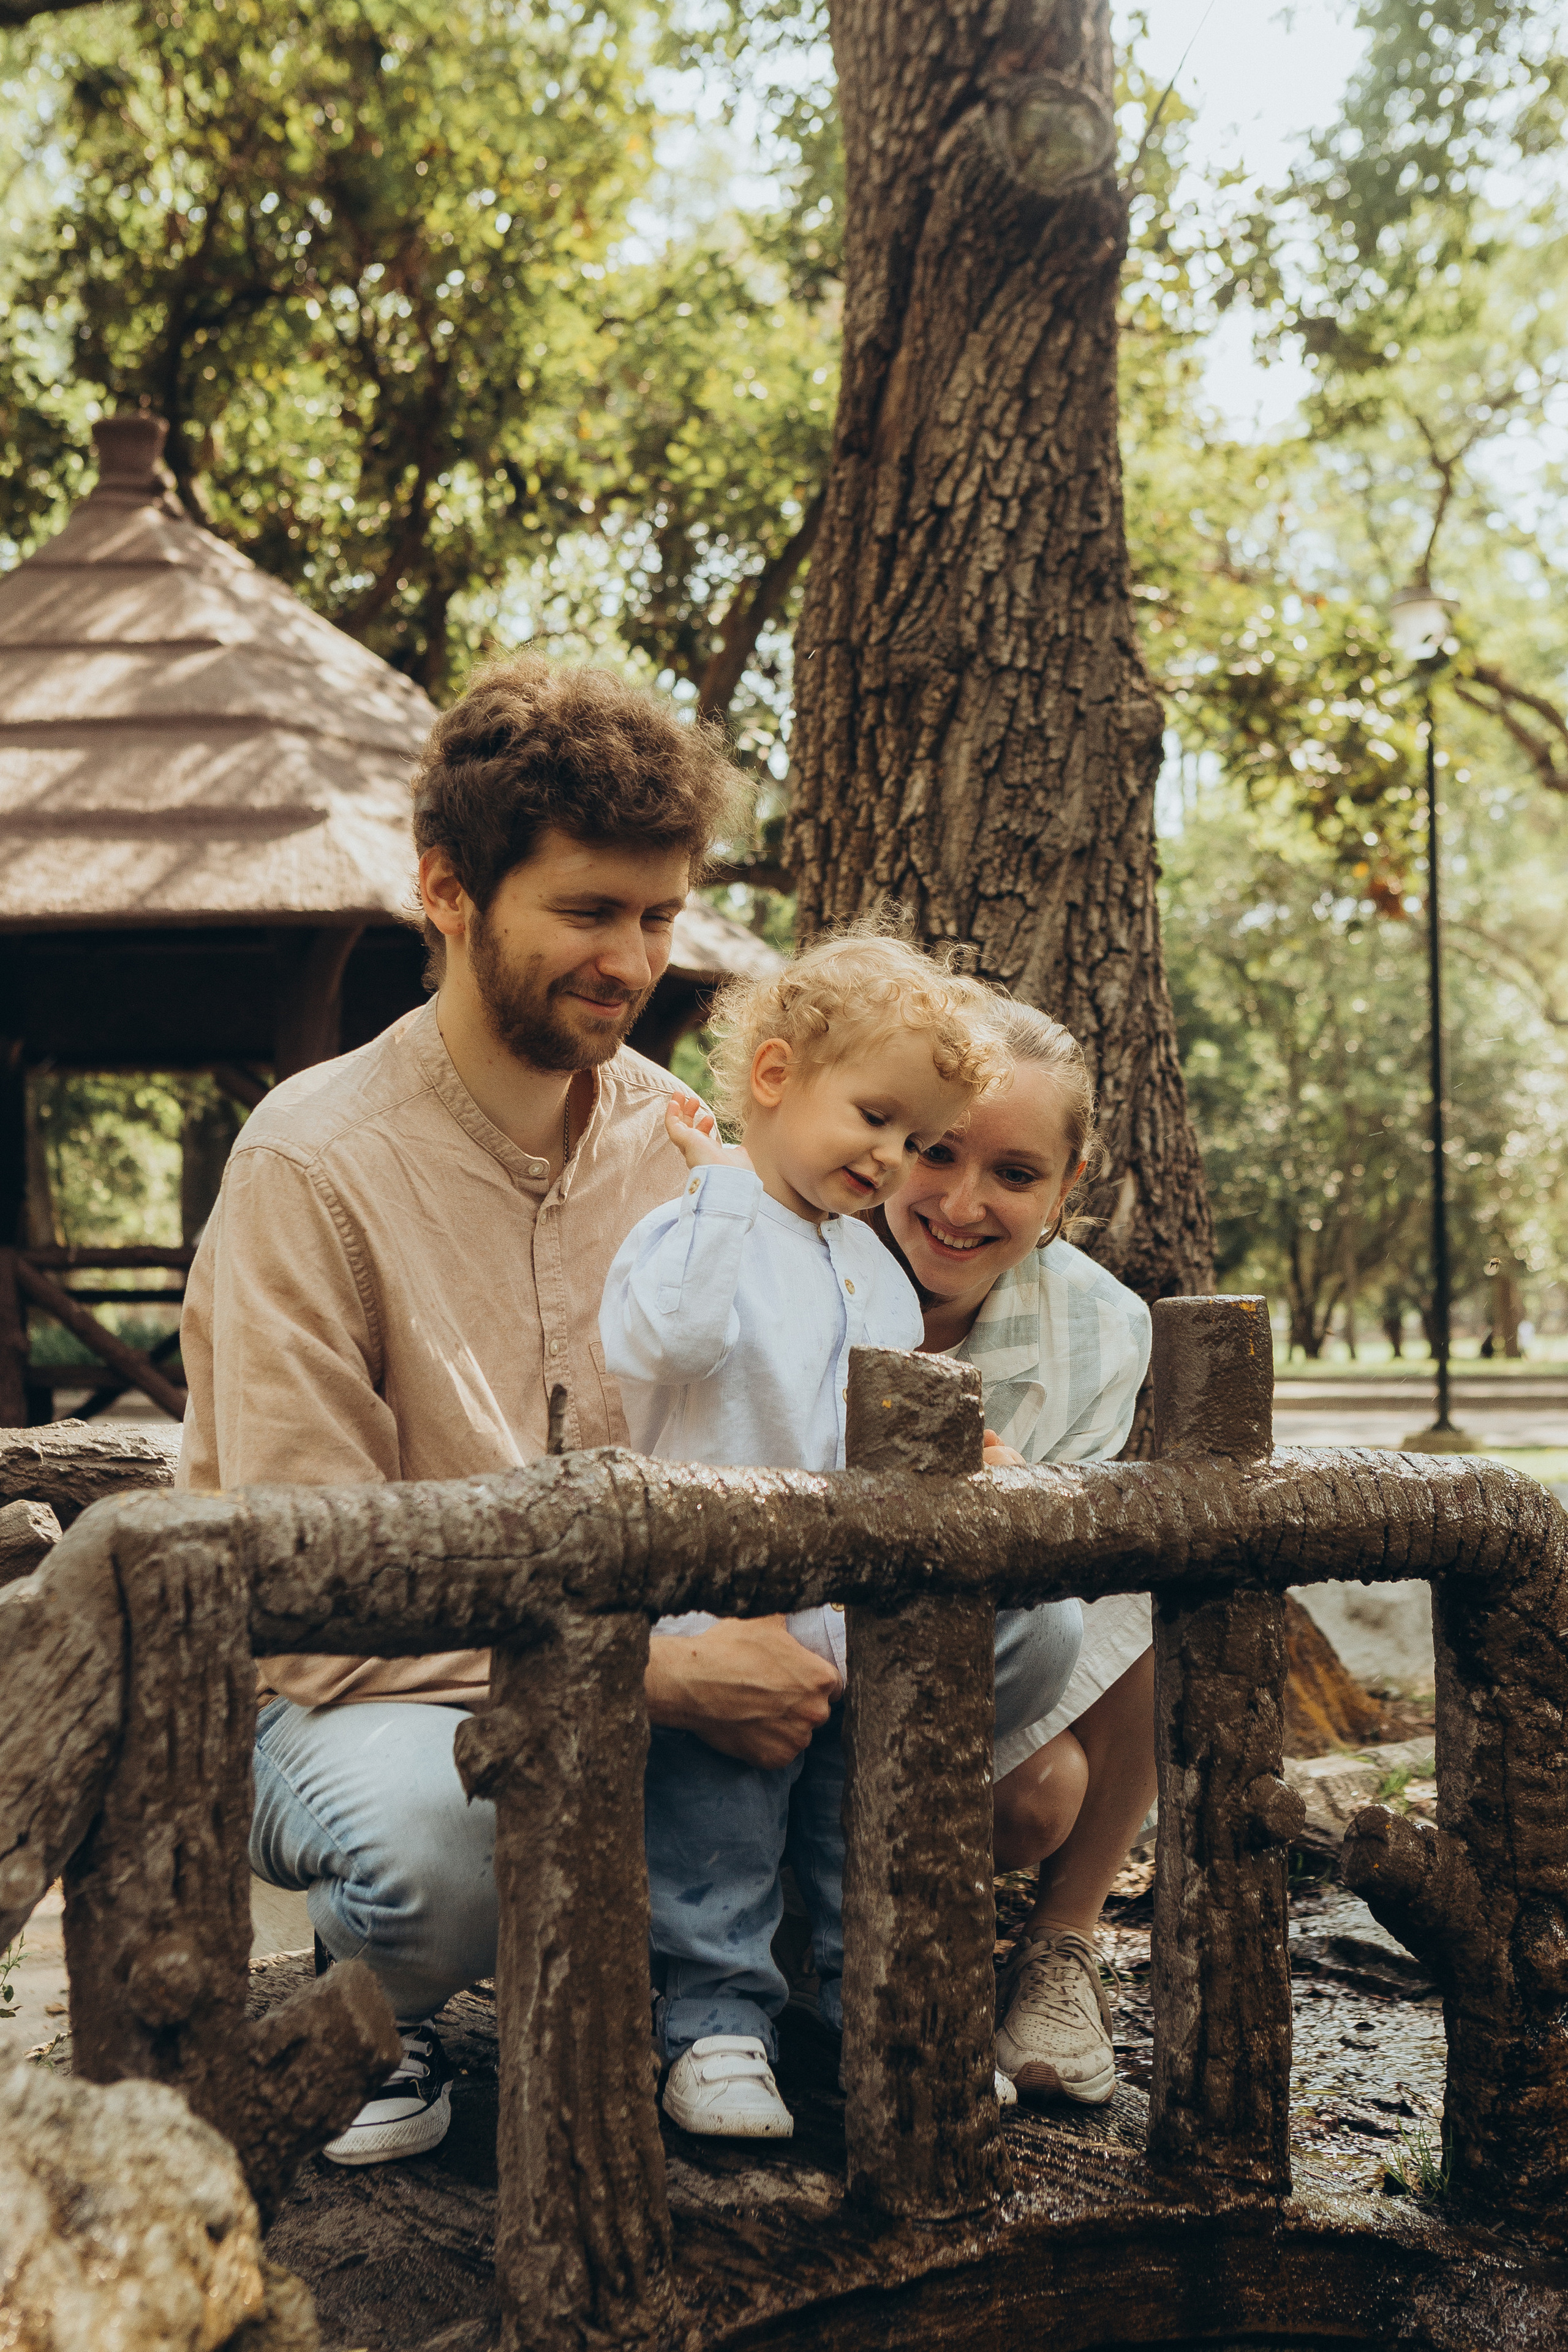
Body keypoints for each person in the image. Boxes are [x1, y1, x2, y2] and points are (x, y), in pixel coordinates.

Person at [178, 654, 854, 2167]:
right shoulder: (309, 1165)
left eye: (657, 917)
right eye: (588, 911)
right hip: (356, 1697)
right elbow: (313, 1595)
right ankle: (378, 2000)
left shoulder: (688, 1146)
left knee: (1016, 1646)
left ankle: (752, 1997)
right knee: (450, 1849)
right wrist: (658, 1678)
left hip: (648, 1654)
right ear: (446, 890)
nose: (631, 960)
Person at [601, 932, 1083, 2138]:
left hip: (844, 1611)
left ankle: (878, 2019)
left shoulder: (862, 1261)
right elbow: (664, 1347)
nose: (892, 1160)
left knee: (861, 1831)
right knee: (716, 1837)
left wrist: (957, 1455)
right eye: (875, 1119)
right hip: (719, 1605)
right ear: (773, 1077)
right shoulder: (691, 1224)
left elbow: (879, 1409)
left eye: (914, 1139)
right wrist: (717, 1189)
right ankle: (712, 2029)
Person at [873, 998, 1155, 2108]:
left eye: (1015, 1173)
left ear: (1066, 1185)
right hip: (795, 1665)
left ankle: (1061, 1945)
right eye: (936, 1152)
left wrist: (1016, 1508)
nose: (961, 1204)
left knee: (1048, 1786)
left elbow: (1059, 1598)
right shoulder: (797, 1264)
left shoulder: (1101, 1327)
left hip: (981, 1661)